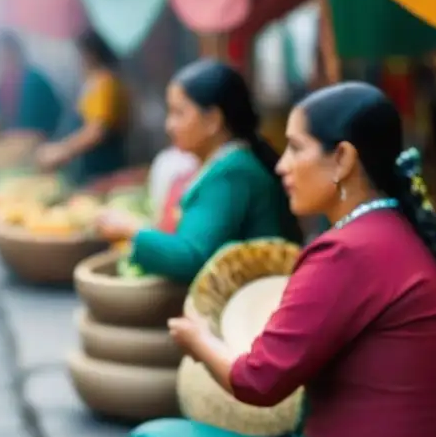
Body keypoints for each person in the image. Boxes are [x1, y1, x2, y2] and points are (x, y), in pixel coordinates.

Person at [100, 82, 436, 437]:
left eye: (296, 149)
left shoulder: (348, 250)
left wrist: (199, 339)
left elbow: (258, 381)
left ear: (342, 159)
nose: (281, 166)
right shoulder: (394, 231)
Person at [96, 60, 301, 283]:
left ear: (212, 120)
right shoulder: (230, 165)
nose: (169, 125)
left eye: (178, 113)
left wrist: (131, 229)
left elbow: (192, 259)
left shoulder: (232, 174)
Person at [37, 29, 127, 183]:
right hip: (88, 168)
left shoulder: (104, 83)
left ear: (90, 54)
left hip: (102, 167)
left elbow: (97, 129)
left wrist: (62, 150)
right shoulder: (93, 82)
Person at [0, 31, 62, 138]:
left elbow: (55, 111)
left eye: (8, 52)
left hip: (34, 141)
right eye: (1, 53)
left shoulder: (34, 80)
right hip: (7, 141)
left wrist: (43, 133)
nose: (5, 57)